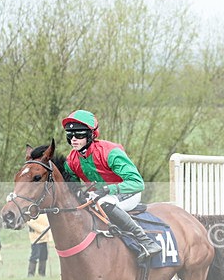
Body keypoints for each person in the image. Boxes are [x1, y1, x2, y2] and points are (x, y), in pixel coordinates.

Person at [61, 109, 162, 261]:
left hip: (127, 192)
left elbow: (137, 183)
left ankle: (146, 242)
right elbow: (75, 190)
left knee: (104, 202)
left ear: (91, 135)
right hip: (99, 196)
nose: (74, 139)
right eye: (70, 135)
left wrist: (108, 189)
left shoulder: (110, 152)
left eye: (79, 134)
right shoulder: (71, 161)